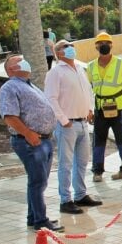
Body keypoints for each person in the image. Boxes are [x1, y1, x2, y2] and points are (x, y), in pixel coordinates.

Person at [0, 55, 64, 232]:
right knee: (37, 181)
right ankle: (41, 221)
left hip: (44, 139)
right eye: (18, 60)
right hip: (30, 142)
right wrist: (28, 133)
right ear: (11, 69)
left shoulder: (28, 84)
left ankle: (33, 216)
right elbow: (9, 115)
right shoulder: (10, 87)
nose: (24, 61)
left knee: (39, 181)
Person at [44, 39, 102, 214]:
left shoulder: (79, 69)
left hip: (83, 123)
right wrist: (63, 120)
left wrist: (90, 109)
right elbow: (51, 98)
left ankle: (80, 195)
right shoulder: (56, 72)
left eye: (71, 45)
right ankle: (65, 200)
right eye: (65, 46)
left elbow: (88, 91)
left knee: (82, 162)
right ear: (58, 52)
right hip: (68, 125)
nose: (70, 48)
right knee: (66, 163)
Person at [86, 32, 122, 182]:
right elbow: (88, 90)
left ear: (111, 45)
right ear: (96, 46)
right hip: (100, 108)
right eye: (101, 43)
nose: (104, 45)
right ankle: (97, 171)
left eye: (107, 43)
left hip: (118, 108)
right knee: (99, 139)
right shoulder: (90, 66)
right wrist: (89, 110)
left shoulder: (121, 63)